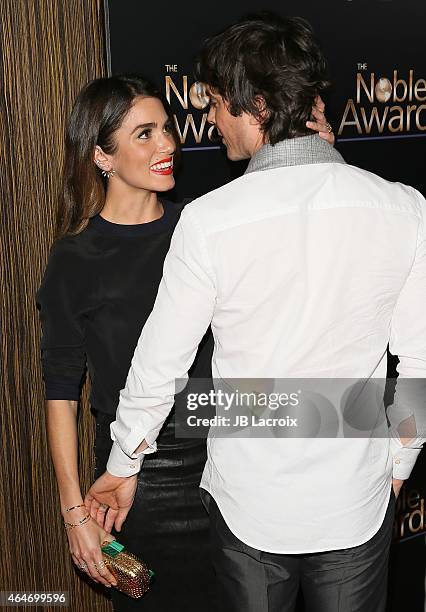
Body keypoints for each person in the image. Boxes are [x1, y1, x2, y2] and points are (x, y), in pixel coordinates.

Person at [86, 12, 426, 612]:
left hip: (249, 504)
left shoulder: (211, 221)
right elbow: (420, 357)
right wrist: (402, 455)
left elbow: (160, 362)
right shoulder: (402, 207)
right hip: (354, 496)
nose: (211, 118)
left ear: (258, 107)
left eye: (218, 102)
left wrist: (121, 463)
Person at [37, 72, 334, 610]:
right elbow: (61, 392)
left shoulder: (206, 226)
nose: (169, 144)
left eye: (167, 129)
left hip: (231, 461)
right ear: (102, 156)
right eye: (144, 134)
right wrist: (75, 513)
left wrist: (320, 159)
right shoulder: (75, 260)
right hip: (135, 477)